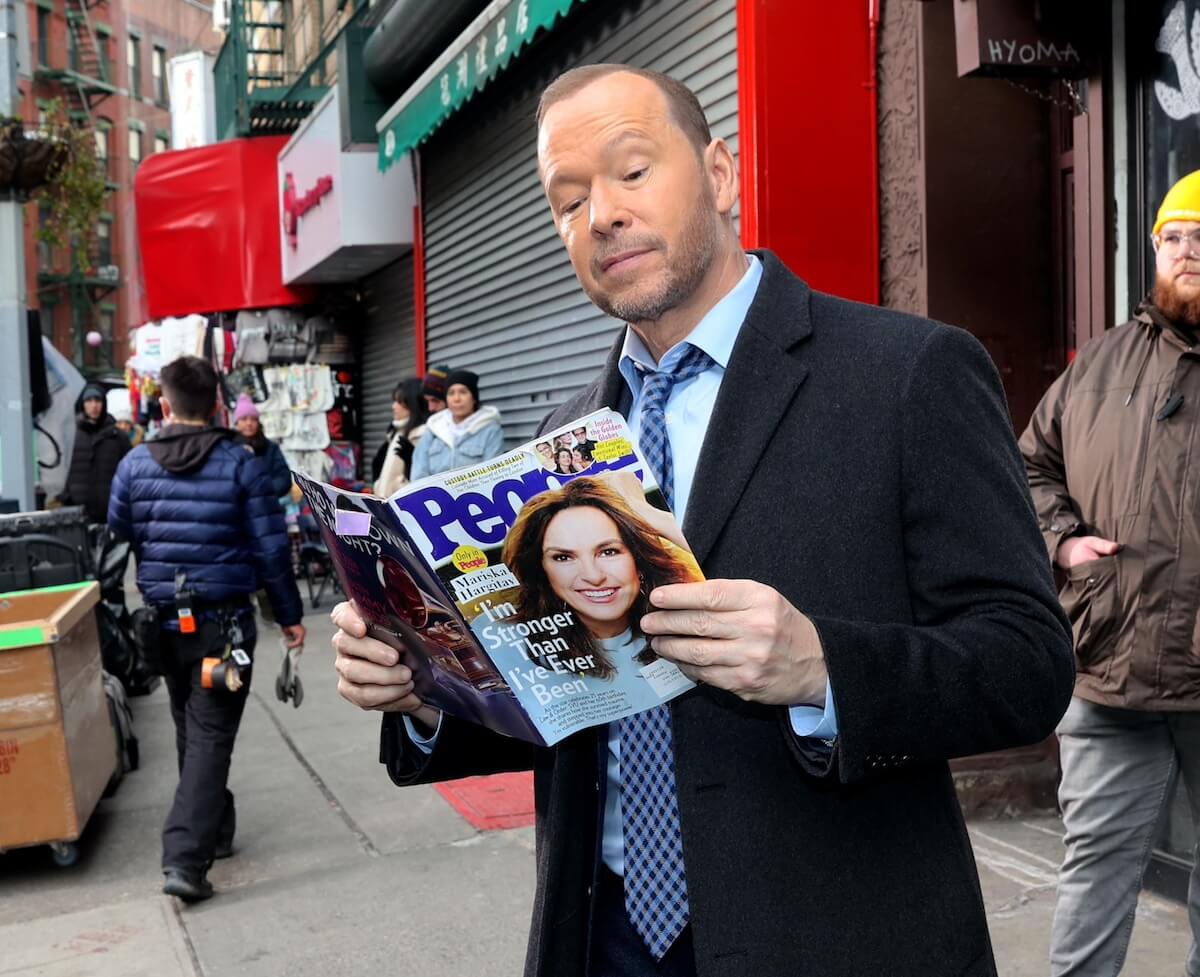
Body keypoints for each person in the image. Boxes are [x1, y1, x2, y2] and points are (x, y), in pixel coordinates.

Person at [331, 65, 1074, 977]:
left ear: (721, 176)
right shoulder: (561, 433)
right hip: (600, 941)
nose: (598, 215)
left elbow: (1028, 663)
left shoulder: (909, 374)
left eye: (631, 172)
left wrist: (822, 669)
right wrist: (425, 681)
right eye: (566, 201)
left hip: (837, 941)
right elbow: (560, 692)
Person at [1022, 168, 1200, 977]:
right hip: (1110, 663)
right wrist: (1062, 542)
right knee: (1093, 876)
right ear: (1156, 247)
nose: (1189, 251)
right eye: (1176, 236)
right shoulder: (1099, 364)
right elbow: (1028, 467)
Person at [108, 356, 305, 904]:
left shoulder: (134, 465)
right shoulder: (241, 464)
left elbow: (119, 531)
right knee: (210, 734)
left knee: (192, 727)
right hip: (225, 628)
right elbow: (270, 550)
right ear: (217, 404)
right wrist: (288, 617)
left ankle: (213, 831)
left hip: (164, 623)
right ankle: (186, 859)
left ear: (165, 403)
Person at [498, 475, 700, 679]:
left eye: (608, 552)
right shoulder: (506, 637)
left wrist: (643, 510)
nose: (593, 577)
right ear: (541, 570)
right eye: (563, 557)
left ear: (638, 557)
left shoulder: (686, 611)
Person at [408, 369, 504, 480]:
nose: (456, 398)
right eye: (451, 393)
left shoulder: (490, 430)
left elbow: (493, 475)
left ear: (474, 398)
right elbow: (418, 473)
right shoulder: (434, 428)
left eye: (463, 392)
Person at [58, 383, 130, 524]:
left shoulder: (117, 437)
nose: (94, 405)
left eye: (98, 401)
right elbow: (60, 467)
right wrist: (65, 495)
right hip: (76, 510)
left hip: (109, 509)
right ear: (83, 404)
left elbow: (128, 471)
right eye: (89, 401)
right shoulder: (70, 435)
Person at [372, 378, 430, 497]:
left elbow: (423, 483)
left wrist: (398, 487)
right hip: (386, 506)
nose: (393, 407)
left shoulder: (422, 435)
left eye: (399, 402)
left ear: (412, 404)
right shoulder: (397, 432)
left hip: (403, 508)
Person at [232, 394, 292, 498]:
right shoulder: (229, 448)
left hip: (268, 504)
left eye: (253, 419)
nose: (249, 423)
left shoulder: (271, 447)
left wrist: (264, 490)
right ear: (237, 423)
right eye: (244, 419)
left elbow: (284, 478)